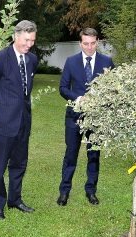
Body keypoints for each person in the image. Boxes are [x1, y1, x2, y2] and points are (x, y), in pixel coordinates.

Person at [0, 20, 38, 219]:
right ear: (15, 36)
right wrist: (3, 108)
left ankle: (15, 200)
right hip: (3, 123)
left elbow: (26, 90)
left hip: (24, 122)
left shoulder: (32, 59)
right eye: (26, 40)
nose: (29, 44)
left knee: (19, 164)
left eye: (32, 40)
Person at [57, 28, 114, 206]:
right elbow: (63, 88)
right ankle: (64, 192)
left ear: (98, 41)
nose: (89, 47)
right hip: (74, 116)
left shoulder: (107, 62)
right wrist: (79, 98)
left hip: (97, 118)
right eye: (85, 43)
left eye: (93, 43)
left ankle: (91, 191)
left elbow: (115, 88)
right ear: (80, 43)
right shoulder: (71, 61)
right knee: (70, 156)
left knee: (94, 155)